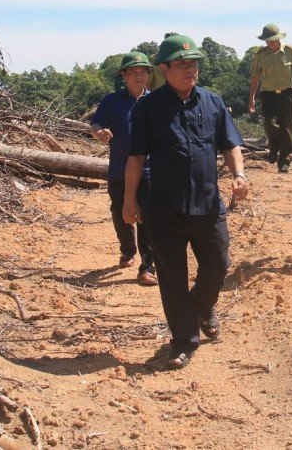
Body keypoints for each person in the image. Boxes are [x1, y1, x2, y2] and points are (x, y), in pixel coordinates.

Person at [123, 34, 248, 369]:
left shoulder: (212, 102)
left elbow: (230, 144)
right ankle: (183, 340)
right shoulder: (148, 108)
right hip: (163, 207)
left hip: (207, 202)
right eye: (182, 64)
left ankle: (202, 307)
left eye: (193, 64)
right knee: (172, 276)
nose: (190, 70)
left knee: (218, 263)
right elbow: (135, 158)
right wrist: (128, 200)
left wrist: (239, 175)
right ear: (163, 69)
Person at [90, 51, 157, 286]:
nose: (140, 76)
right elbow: (96, 123)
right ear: (124, 75)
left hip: (149, 171)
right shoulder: (112, 101)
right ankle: (128, 250)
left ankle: (148, 266)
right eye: (134, 72)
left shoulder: (156, 102)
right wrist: (99, 133)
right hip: (119, 168)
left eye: (144, 71)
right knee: (121, 213)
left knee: (147, 217)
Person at [248, 23, 292, 173]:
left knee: (288, 129)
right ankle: (273, 147)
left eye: (273, 40)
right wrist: (252, 98)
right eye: (267, 40)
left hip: (287, 95)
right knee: (269, 124)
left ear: (279, 39)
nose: (270, 43)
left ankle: (284, 161)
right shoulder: (260, 55)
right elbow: (255, 78)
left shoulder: (289, 52)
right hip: (268, 96)